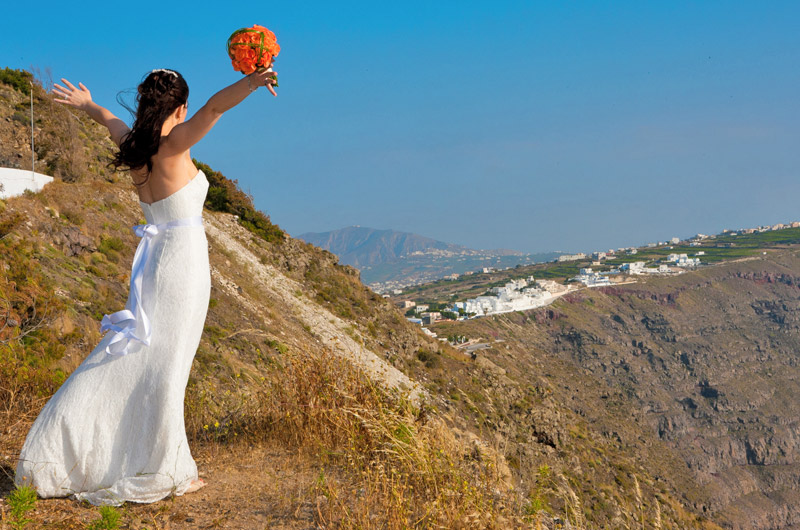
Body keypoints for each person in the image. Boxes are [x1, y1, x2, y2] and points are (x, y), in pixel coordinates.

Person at [14, 65, 277, 506]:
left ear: (145, 103)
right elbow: (216, 107)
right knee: (167, 365)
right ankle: (166, 466)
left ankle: (83, 447)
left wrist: (87, 104)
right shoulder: (174, 145)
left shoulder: (133, 146)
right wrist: (253, 82)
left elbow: (106, 118)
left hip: (155, 263)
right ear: (180, 106)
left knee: (140, 353)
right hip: (184, 264)